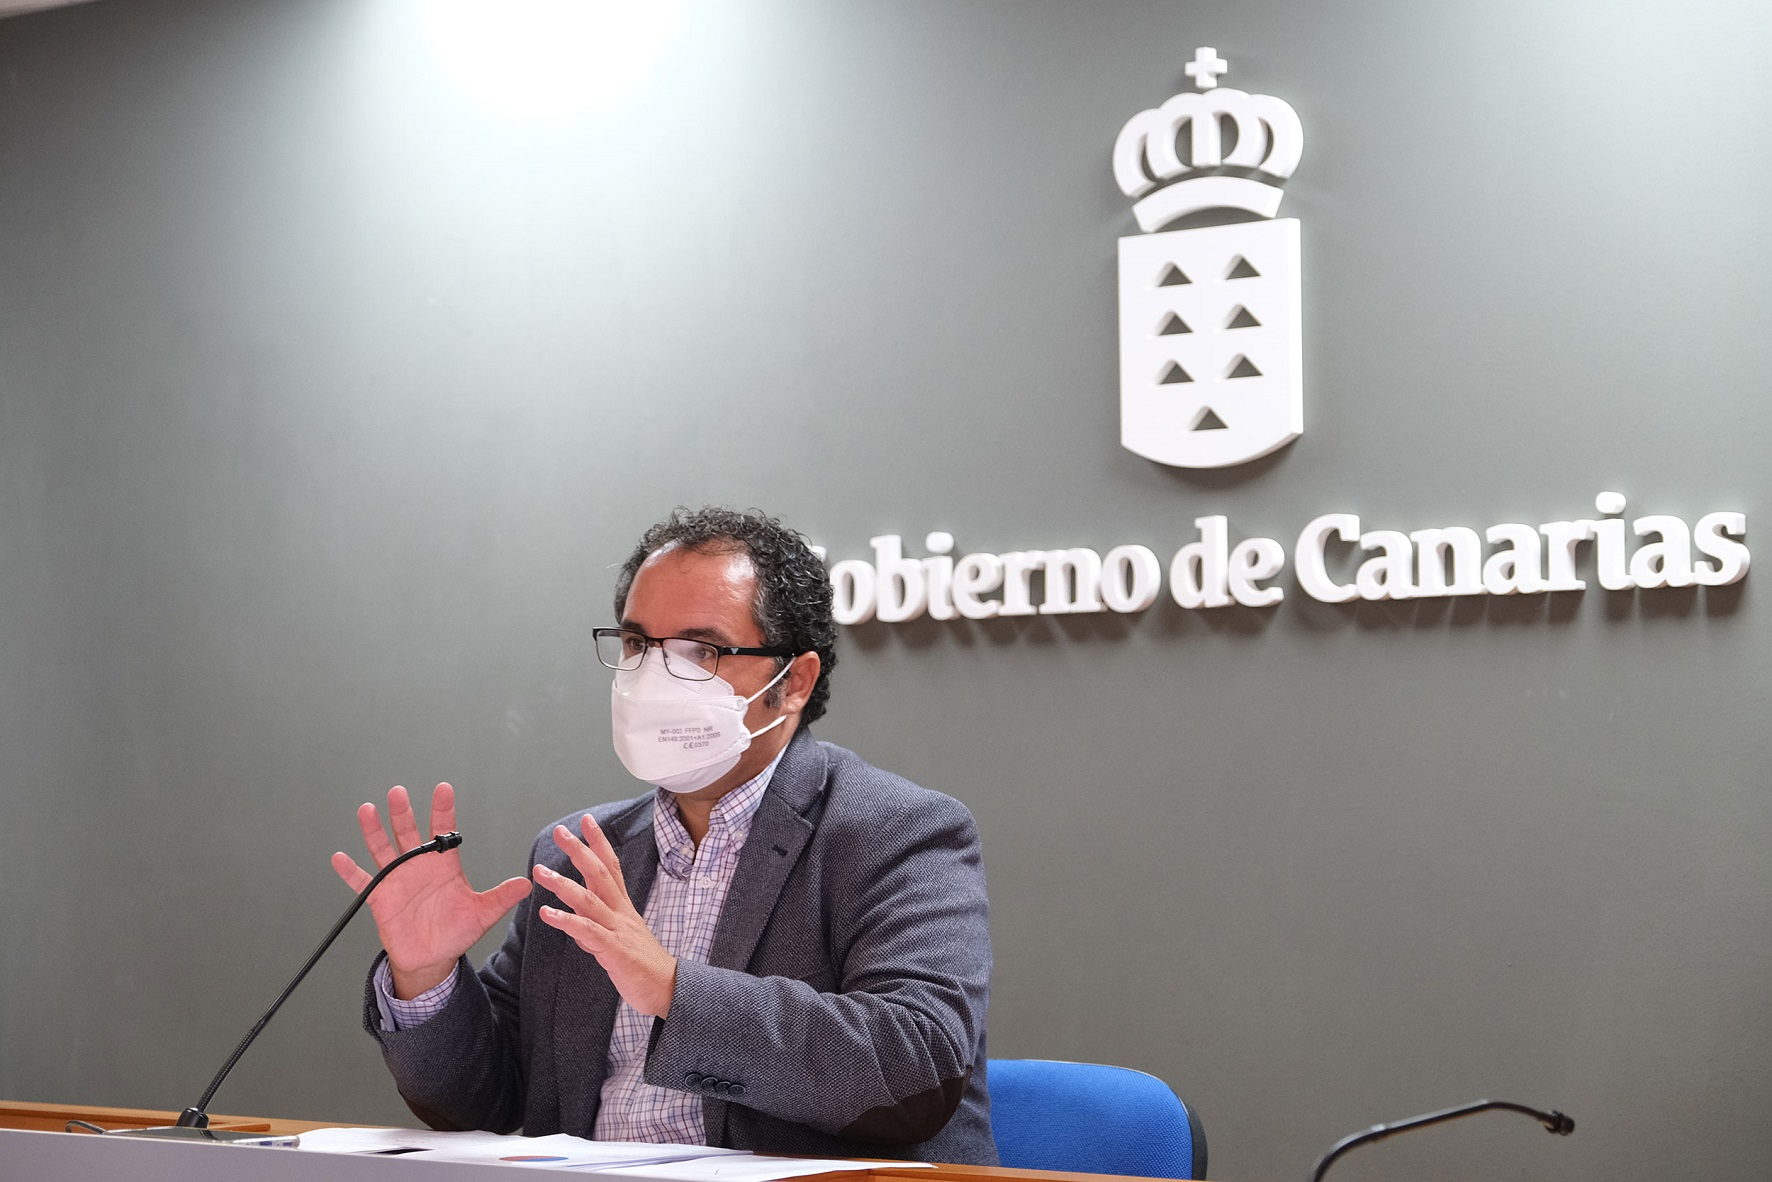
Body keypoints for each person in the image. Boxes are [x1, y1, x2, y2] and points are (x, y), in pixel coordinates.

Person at [333, 507, 996, 1164]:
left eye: (699, 650)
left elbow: (919, 1064)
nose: (653, 677)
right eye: (636, 645)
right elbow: (487, 1099)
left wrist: (674, 991)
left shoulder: (895, 830)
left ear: (793, 682)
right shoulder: (577, 854)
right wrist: (427, 977)